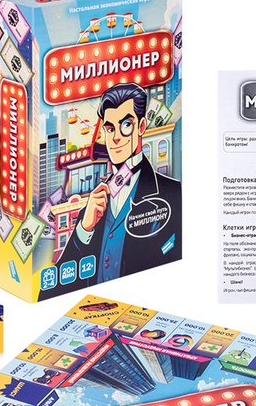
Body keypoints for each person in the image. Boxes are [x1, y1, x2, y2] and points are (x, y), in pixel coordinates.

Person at [39, 83, 181, 298]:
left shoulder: (173, 193)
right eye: (110, 128)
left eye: (126, 125)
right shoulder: (92, 205)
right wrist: (83, 230)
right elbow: (50, 292)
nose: (116, 138)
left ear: (141, 126)